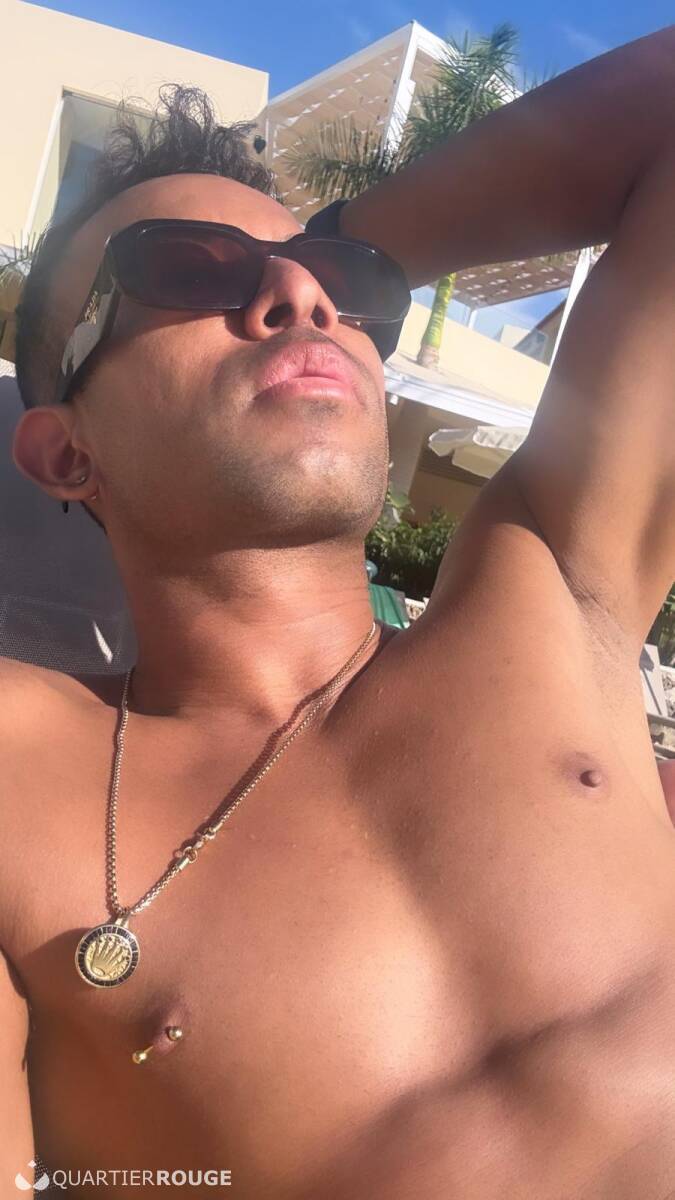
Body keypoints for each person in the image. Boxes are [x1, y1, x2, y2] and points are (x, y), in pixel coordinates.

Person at [1, 22, 675, 1196]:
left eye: (344, 287)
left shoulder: (559, 598)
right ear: (66, 451)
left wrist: (357, 236)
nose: (300, 297)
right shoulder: (20, 767)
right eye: (186, 269)